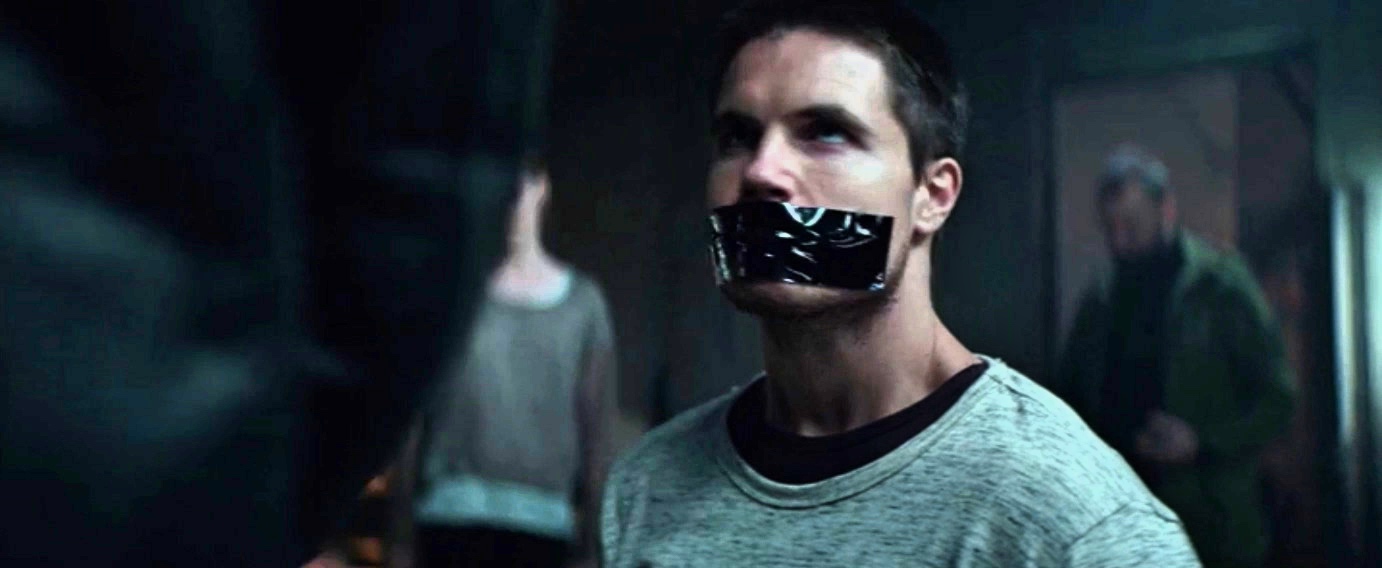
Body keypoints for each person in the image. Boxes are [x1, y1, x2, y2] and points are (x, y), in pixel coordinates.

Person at [598, 1, 1200, 566]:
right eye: (738, 137)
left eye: (825, 131)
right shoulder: (645, 487)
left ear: (932, 197)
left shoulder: (1071, 517)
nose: (760, 171)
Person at [1055, 145, 1296, 567]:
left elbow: (1278, 401)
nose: (1119, 240)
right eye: (1110, 227)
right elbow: (1069, 398)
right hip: (1123, 529)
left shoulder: (1220, 287)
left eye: (1131, 224)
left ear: (1165, 209)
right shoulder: (1101, 298)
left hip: (1213, 531)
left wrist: (1202, 443)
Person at [391, 154, 618, 568]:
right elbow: (412, 419)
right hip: (448, 522)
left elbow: (597, 437)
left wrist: (592, 546)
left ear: (542, 188)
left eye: (522, 184)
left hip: (542, 530)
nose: (511, 200)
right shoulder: (454, 292)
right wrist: (401, 536)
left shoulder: (583, 305)